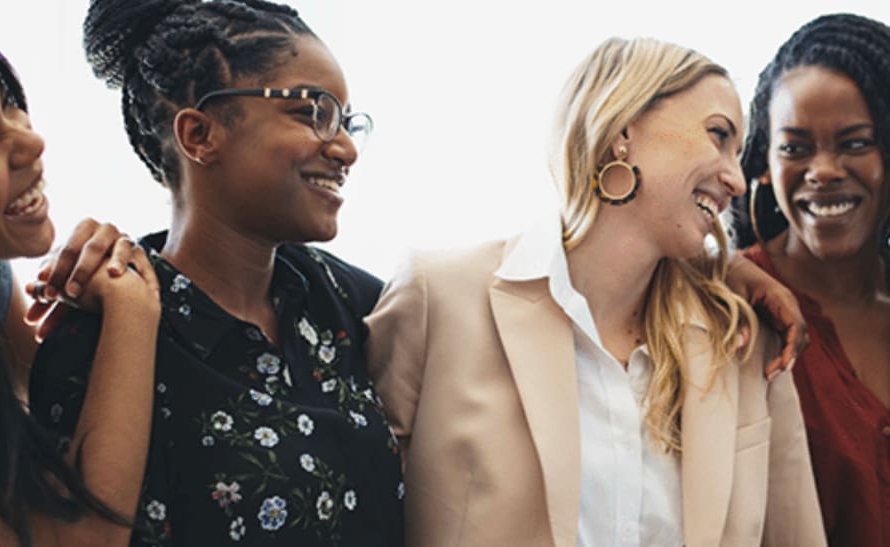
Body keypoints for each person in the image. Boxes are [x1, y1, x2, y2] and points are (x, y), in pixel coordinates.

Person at [366, 36, 826, 546]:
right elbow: (360, 513)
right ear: (622, 128)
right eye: (718, 135)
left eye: (739, 153)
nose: (736, 180)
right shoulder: (439, 298)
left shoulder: (744, 342)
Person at [29, 1, 404, 546]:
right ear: (199, 135)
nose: (345, 147)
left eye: (347, 121)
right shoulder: (101, 338)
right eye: (312, 112)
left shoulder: (352, 303)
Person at [0, 14, 162, 547]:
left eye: (8, 103)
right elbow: (80, 541)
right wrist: (133, 309)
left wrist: (90, 305)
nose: (32, 143)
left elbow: (50, 418)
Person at [729, 13, 890, 546]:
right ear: (764, 166)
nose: (823, 170)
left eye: (855, 143)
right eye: (795, 148)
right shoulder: (731, 306)